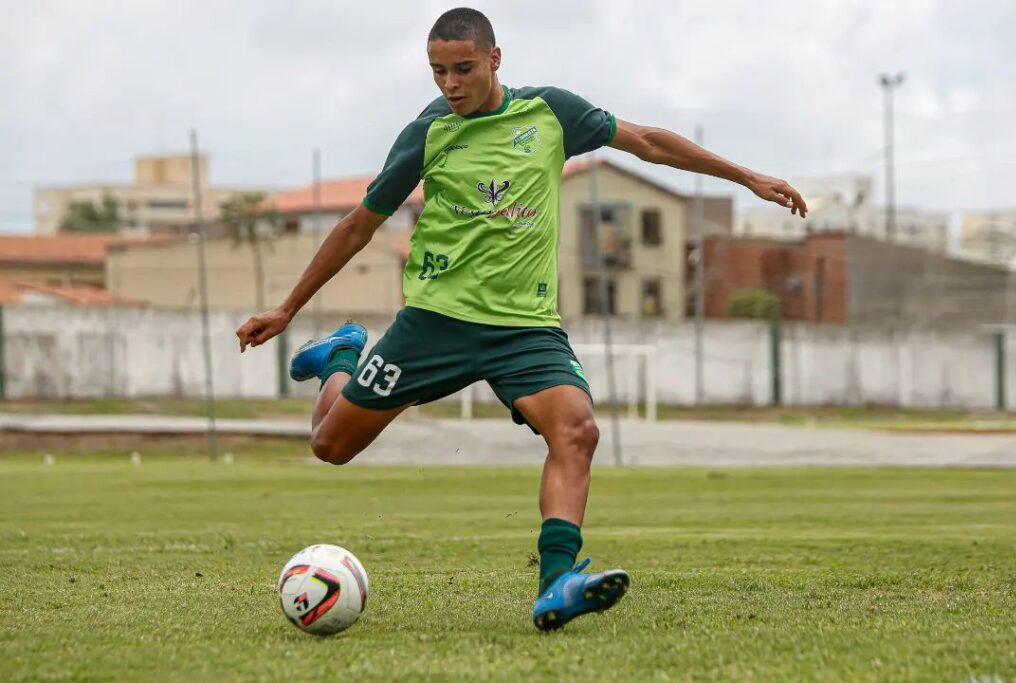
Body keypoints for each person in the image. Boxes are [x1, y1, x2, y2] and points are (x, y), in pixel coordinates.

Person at [236, 7, 807, 631]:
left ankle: (557, 582)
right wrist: (289, 307)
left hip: (525, 328)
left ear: (494, 59)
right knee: (330, 446)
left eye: (463, 68)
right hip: (436, 322)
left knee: (578, 431)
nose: (450, 84)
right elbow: (358, 226)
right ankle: (345, 355)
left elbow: (648, 142)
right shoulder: (426, 134)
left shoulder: (550, 113)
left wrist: (746, 176)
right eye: (437, 72)